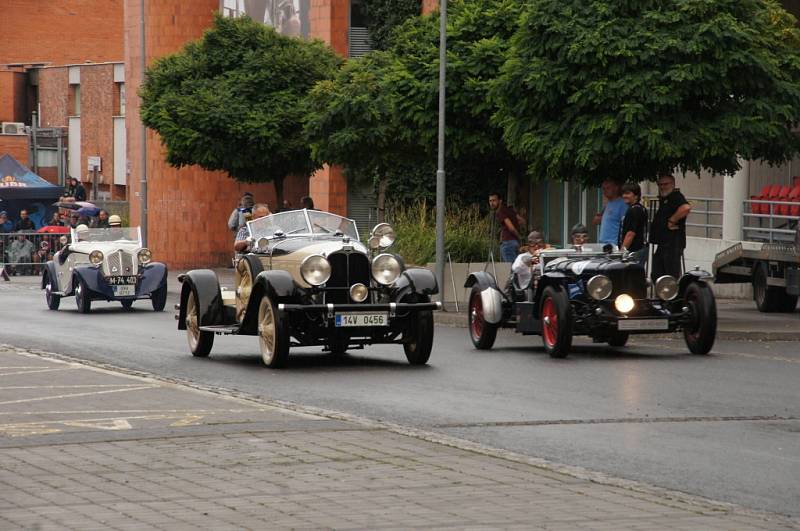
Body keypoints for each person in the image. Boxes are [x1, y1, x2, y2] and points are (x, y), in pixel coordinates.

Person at [650, 174, 691, 280]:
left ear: (672, 184)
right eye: (660, 185)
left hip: (673, 243)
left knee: (670, 274)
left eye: (666, 184)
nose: (663, 187)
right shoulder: (665, 198)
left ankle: (672, 294)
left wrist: (672, 220)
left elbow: (686, 208)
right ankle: (662, 293)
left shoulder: (675, 196)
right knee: (657, 273)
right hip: (663, 243)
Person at [618, 183, 648, 265]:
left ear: (636, 195)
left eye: (627, 193)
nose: (624, 196)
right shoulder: (641, 208)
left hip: (634, 251)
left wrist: (622, 252)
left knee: (631, 276)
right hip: (641, 249)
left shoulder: (634, 210)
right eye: (623, 193)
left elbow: (630, 233)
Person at [593, 178, 627, 245]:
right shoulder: (608, 203)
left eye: (608, 188)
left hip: (613, 244)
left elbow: (625, 225)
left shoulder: (623, 204)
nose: (605, 191)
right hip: (602, 242)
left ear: (616, 188)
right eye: (603, 189)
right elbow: (596, 221)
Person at [489, 191, 521, 262]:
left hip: (507, 243)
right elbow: (521, 220)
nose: (492, 203)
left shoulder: (500, 211)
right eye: (490, 201)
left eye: (494, 200)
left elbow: (511, 228)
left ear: (500, 201)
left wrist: (519, 237)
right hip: (514, 243)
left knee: (509, 269)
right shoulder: (508, 209)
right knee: (515, 267)